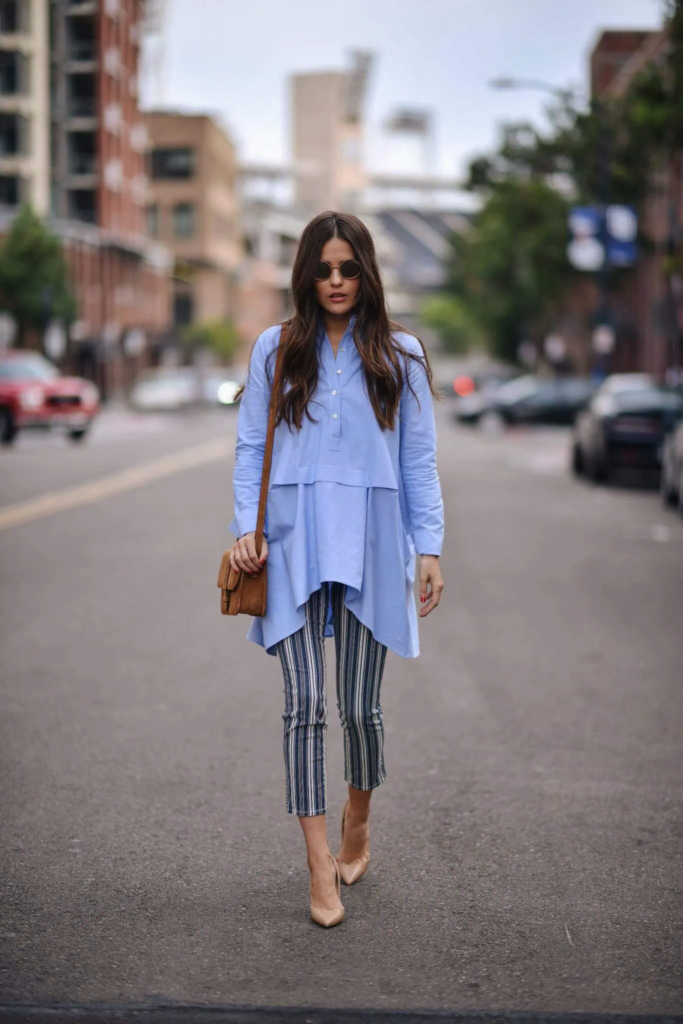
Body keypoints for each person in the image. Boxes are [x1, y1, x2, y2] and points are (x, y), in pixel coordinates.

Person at [228, 211, 444, 928]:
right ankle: (317, 864)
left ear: (367, 272)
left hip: (374, 543)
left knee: (358, 710)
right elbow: (250, 449)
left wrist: (430, 547)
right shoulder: (276, 348)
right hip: (288, 541)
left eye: (348, 268)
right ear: (304, 274)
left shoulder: (401, 355)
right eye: (322, 269)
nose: (335, 281)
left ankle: (358, 817)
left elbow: (417, 460)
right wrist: (245, 533)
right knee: (302, 706)